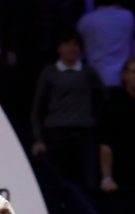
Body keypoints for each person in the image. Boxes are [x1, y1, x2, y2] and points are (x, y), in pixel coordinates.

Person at [30, 31, 106, 190]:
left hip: (83, 131)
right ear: (59, 48)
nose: (71, 48)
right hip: (56, 131)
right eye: (67, 44)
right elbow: (38, 106)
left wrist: (93, 118)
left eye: (75, 45)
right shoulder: (50, 72)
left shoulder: (88, 72)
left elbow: (103, 96)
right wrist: (38, 138)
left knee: (87, 179)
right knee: (58, 179)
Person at [97, 57, 135, 214]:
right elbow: (106, 144)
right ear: (124, 76)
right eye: (134, 72)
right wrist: (107, 178)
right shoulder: (113, 104)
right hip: (123, 181)